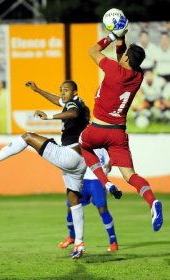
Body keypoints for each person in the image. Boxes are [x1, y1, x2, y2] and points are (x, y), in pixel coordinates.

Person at [0, 80, 90, 259]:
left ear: (75, 91)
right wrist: (38, 90)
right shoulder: (79, 102)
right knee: (74, 198)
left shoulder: (74, 105)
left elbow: (72, 113)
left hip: (69, 157)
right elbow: (59, 101)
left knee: (28, 136)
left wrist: (49, 117)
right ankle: (79, 243)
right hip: (81, 161)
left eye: (66, 90)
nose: (62, 93)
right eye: (61, 90)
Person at [79, 18, 163, 232]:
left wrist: (113, 35)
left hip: (97, 130)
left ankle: (105, 183)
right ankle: (152, 201)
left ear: (126, 58)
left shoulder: (113, 70)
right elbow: (122, 56)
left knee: (83, 145)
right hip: (118, 134)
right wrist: (123, 35)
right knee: (130, 176)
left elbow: (92, 50)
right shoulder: (137, 76)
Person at [59, 148, 119, 253]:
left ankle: (113, 241)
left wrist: (109, 163)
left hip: (97, 180)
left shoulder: (103, 143)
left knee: (102, 209)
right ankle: (72, 236)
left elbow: (112, 156)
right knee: (71, 206)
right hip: (82, 178)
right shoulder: (81, 140)